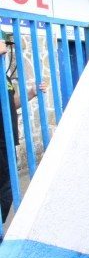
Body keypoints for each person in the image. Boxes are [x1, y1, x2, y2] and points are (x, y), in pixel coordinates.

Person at [1, 38, 47, 240]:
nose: (6, 50)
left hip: (9, 139)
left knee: (7, 186)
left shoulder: (5, 78)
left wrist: (31, 93)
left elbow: (11, 104)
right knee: (6, 186)